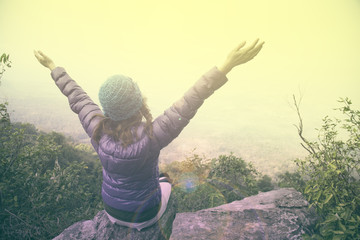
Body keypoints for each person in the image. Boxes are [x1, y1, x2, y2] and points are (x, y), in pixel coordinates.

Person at [34, 39, 264, 231]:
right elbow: (190, 101)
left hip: (112, 210)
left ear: (107, 109)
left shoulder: (97, 131)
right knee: (166, 182)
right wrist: (226, 65)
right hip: (144, 215)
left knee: (160, 178)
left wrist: (53, 66)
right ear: (137, 104)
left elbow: (77, 96)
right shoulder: (152, 136)